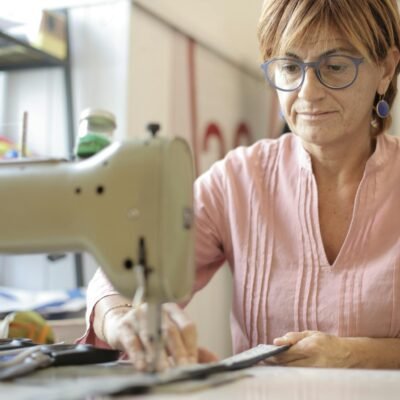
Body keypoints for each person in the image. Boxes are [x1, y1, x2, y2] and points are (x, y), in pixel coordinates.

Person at [77, 0, 400, 370]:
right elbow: (121, 276)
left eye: (336, 66)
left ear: (386, 69)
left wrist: (352, 355)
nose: (308, 92)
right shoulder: (238, 180)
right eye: (291, 67)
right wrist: (122, 320)